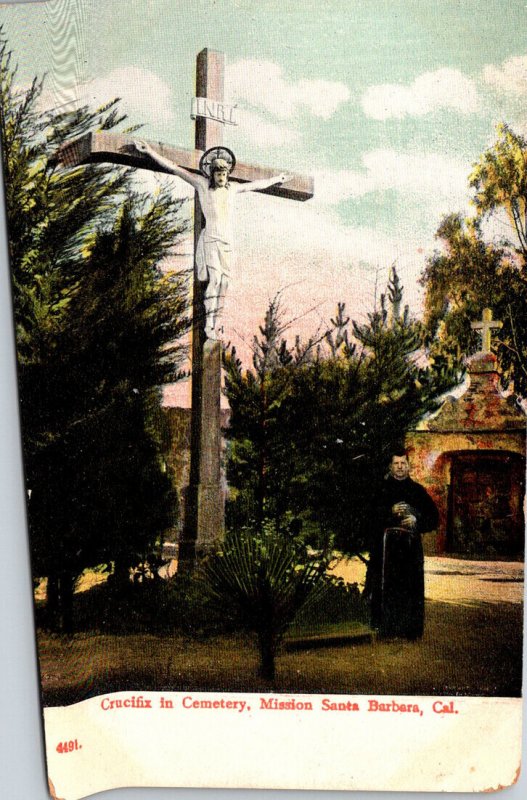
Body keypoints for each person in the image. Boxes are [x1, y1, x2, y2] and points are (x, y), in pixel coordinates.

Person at [133, 140, 291, 340]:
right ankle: (208, 325)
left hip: (227, 241)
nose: (222, 178)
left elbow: (255, 185)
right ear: (211, 174)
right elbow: (175, 168)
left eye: (224, 174)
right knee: (215, 280)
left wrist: (277, 178)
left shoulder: (233, 188)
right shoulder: (202, 185)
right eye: (218, 174)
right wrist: (150, 152)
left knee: (225, 283)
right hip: (212, 239)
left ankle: (217, 324)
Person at [369, 450, 438, 640]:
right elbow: (370, 517)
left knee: (411, 588)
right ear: (390, 467)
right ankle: (386, 630)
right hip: (386, 550)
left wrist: (416, 519)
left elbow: (434, 518)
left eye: (403, 463)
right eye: (396, 463)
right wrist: (389, 512)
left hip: (410, 550)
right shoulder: (380, 489)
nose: (400, 467)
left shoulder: (417, 490)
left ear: (408, 466)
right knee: (386, 588)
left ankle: (410, 631)